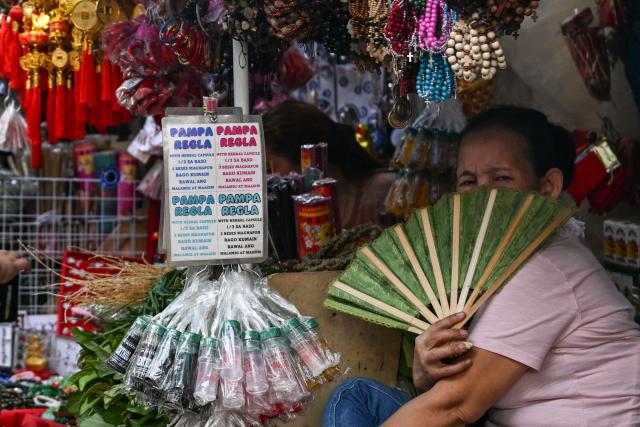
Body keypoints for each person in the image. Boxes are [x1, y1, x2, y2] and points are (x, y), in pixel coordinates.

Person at [322, 106, 640, 426]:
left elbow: (454, 408)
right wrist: (424, 372)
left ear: (548, 187)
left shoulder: (548, 265)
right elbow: (456, 394)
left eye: (501, 178)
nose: (482, 194)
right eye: (469, 180)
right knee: (356, 395)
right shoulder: (493, 267)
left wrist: (438, 393)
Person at [262, 100, 395, 228]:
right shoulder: (290, 220)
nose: (268, 178)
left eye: (269, 168)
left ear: (307, 158)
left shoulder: (386, 194)